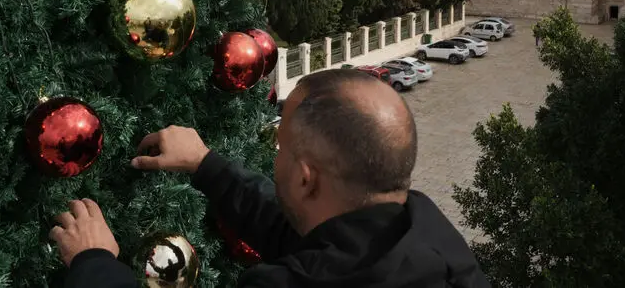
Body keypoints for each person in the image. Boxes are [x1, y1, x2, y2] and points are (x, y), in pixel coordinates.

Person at [50, 68, 491, 287]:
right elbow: (304, 237)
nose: (274, 156)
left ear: (305, 178)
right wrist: (207, 164)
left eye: (281, 148)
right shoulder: (429, 238)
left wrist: (93, 262)